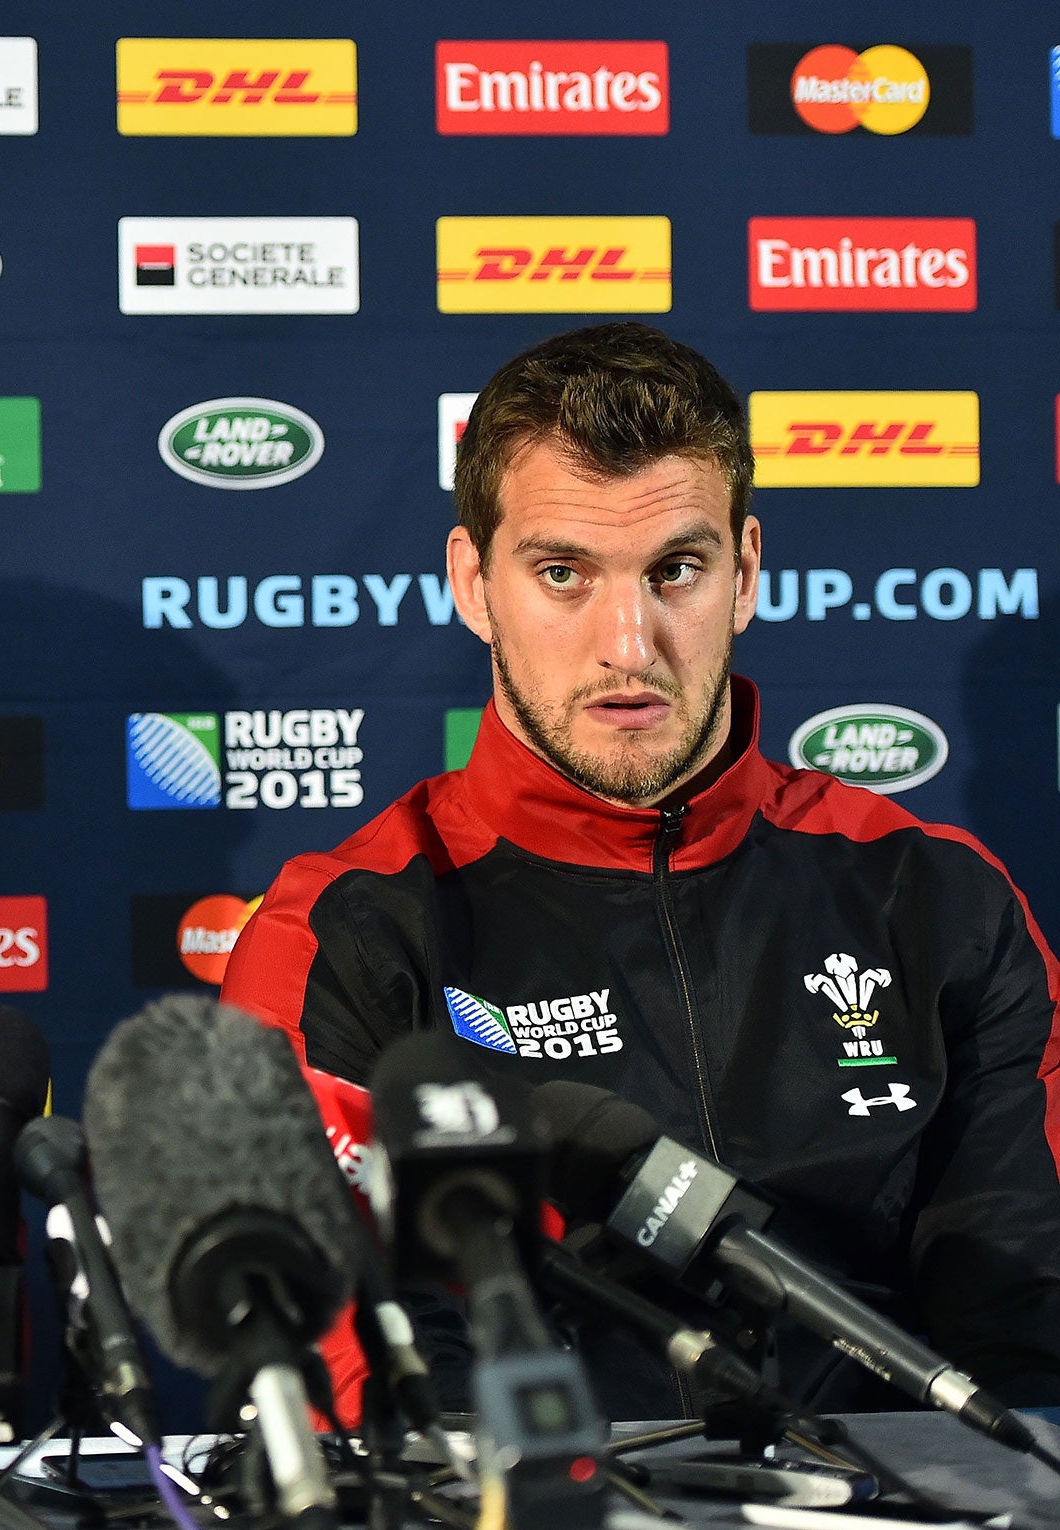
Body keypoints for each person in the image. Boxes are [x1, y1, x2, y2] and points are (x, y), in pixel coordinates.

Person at [221, 322, 1060, 1417]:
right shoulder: (341, 932)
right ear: (473, 585)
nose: (628, 642)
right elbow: (350, 1383)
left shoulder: (932, 895)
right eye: (562, 573)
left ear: (745, 572)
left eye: (675, 569)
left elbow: (1025, 1336)